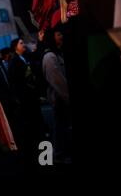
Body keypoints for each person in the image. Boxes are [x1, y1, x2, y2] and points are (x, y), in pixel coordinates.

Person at [8, 38, 46, 171]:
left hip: (32, 98)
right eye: (21, 43)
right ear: (15, 47)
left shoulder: (25, 58)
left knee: (39, 126)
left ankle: (45, 156)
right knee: (32, 128)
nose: (23, 45)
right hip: (25, 101)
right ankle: (39, 159)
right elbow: (16, 83)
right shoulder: (14, 62)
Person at [42, 28, 72, 164]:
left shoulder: (57, 54)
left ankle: (62, 153)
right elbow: (58, 82)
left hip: (62, 99)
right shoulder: (50, 57)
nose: (62, 36)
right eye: (59, 34)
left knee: (63, 128)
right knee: (60, 129)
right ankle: (59, 155)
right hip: (59, 100)